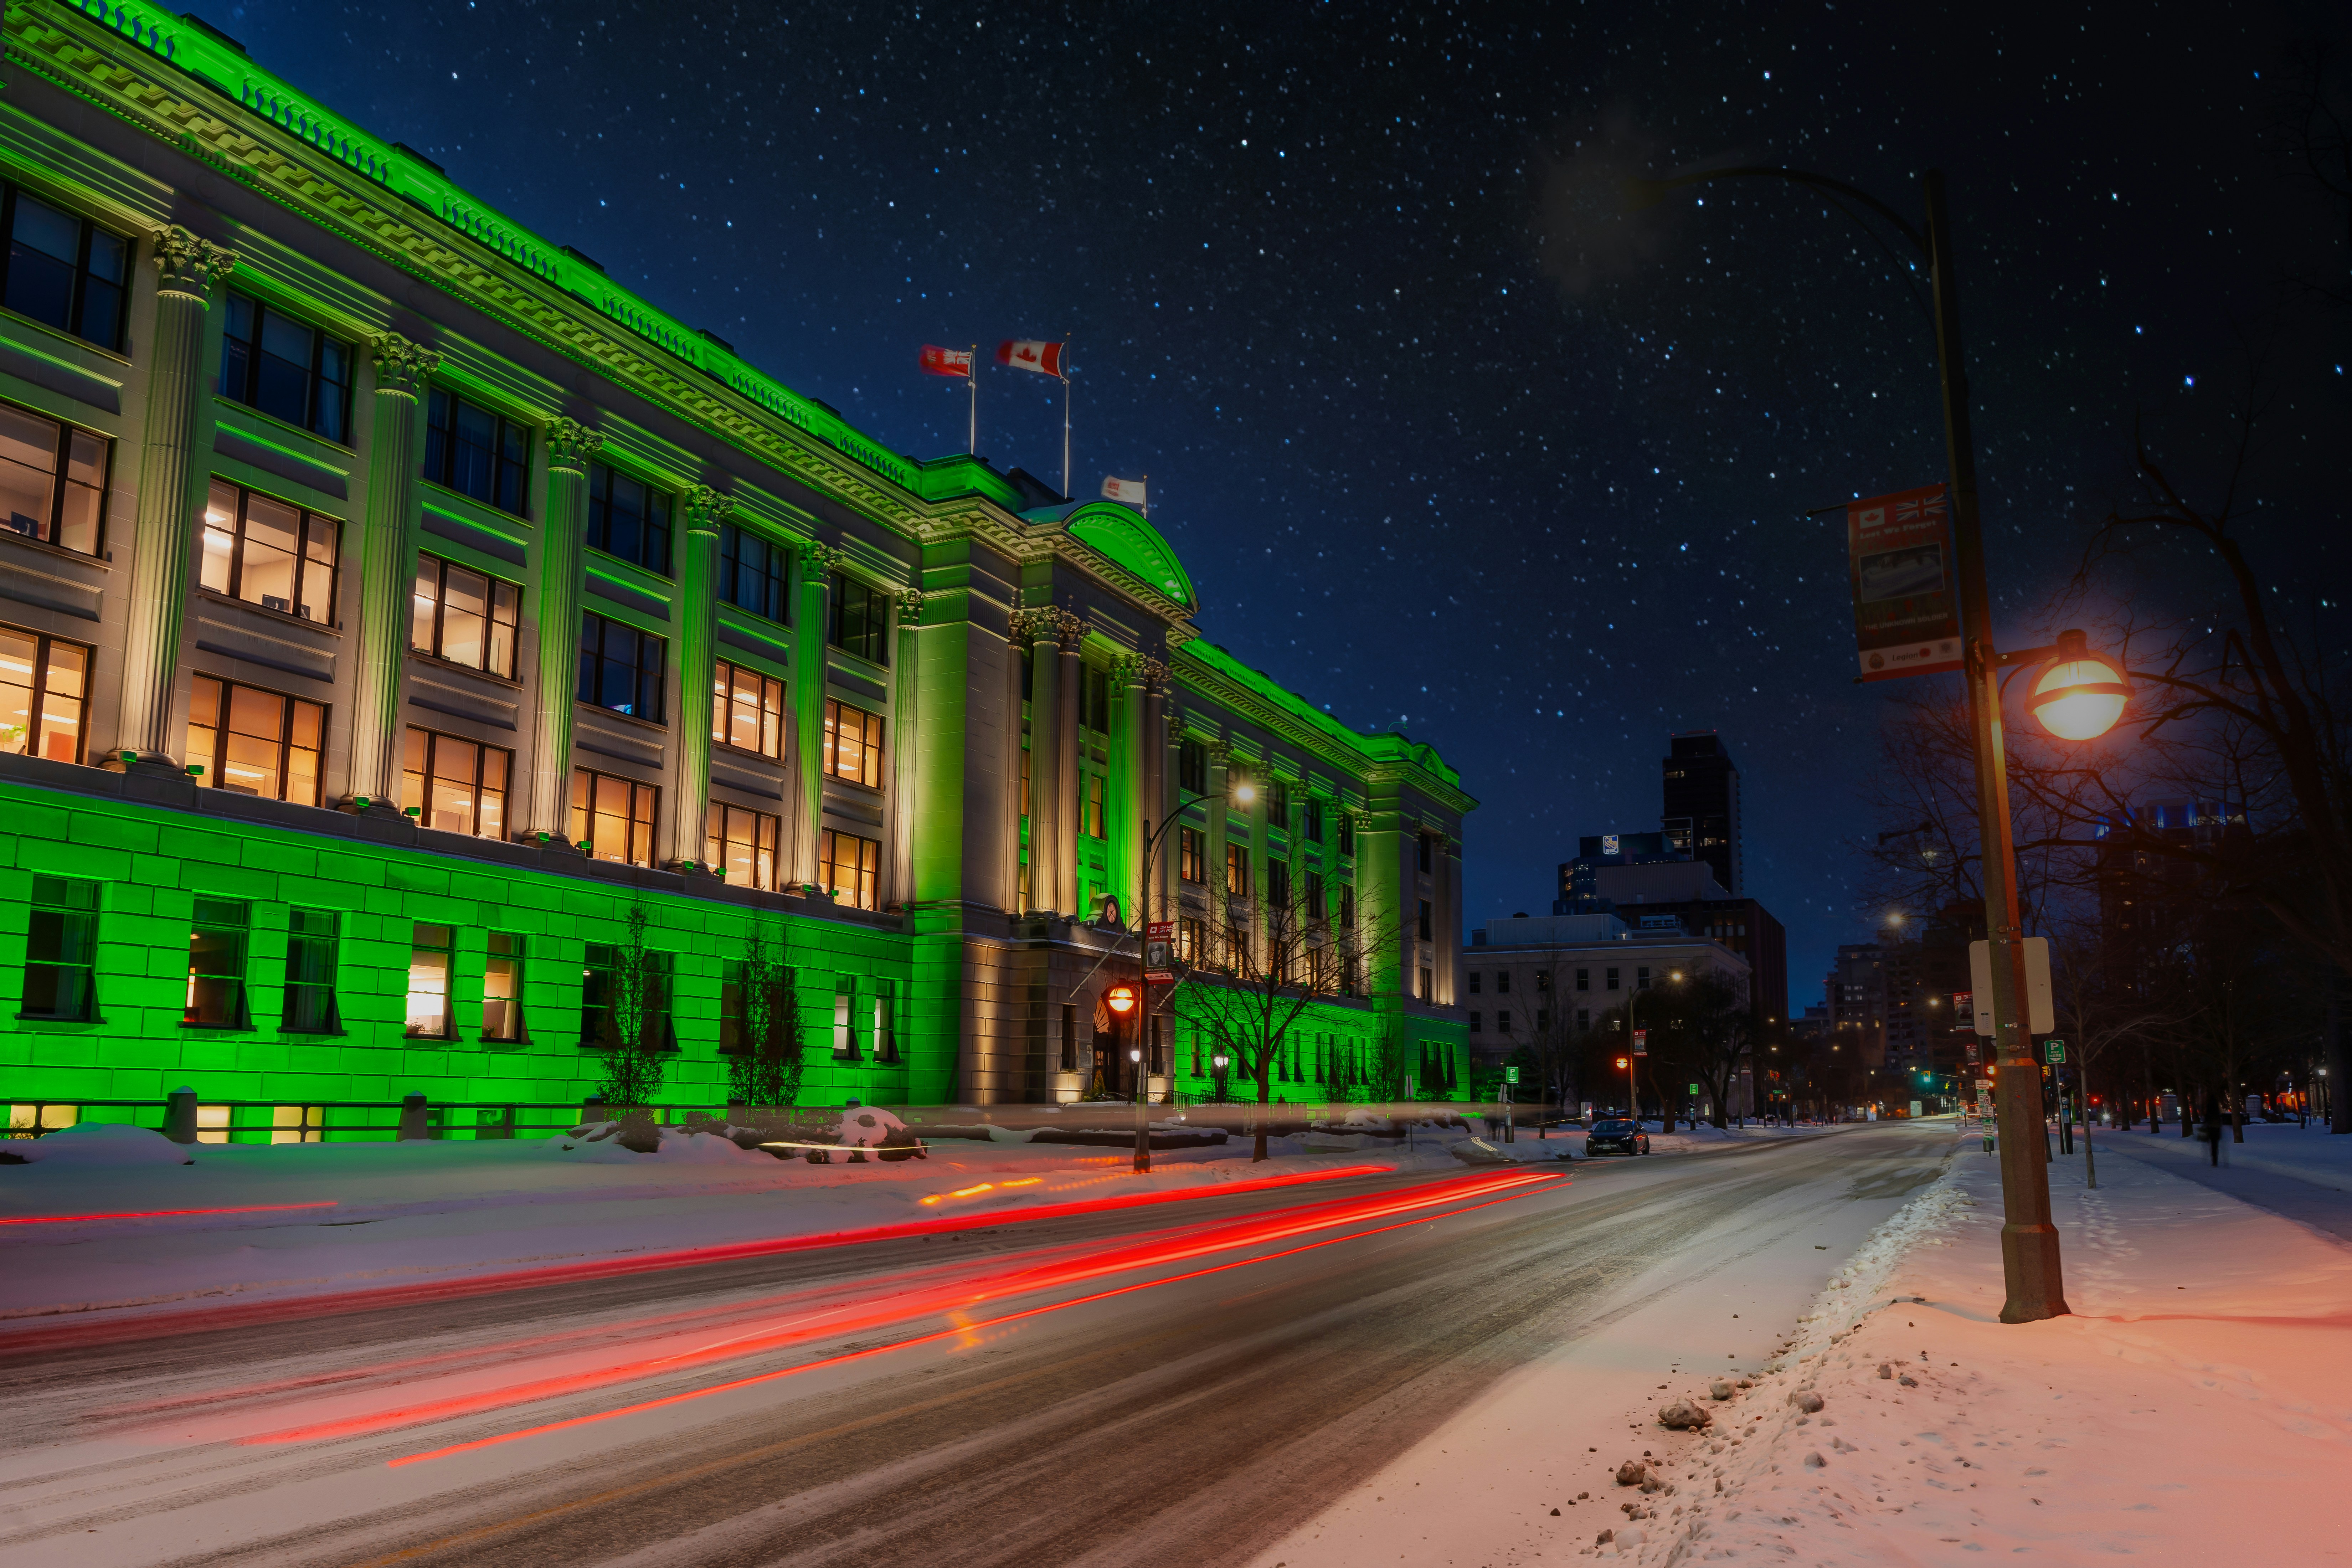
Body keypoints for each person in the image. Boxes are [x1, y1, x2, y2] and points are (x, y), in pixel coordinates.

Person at [2197, 1096, 2224, 1167]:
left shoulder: (2209, 1109)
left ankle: (2214, 1160)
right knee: (2216, 1145)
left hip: (2211, 1129)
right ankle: (2216, 1160)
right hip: (2217, 1130)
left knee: (2213, 1145)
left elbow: (2206, 1120)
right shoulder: (2218, 1111)